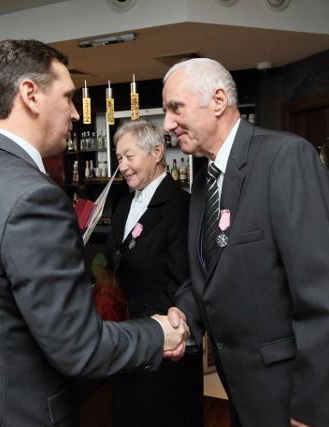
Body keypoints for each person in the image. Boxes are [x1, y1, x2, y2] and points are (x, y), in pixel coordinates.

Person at [0, 39, 187, 427]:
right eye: (68, 97)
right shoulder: (32, 196)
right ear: (30, 94)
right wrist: (158, 334)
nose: (75, 112)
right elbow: (79, 348)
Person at [163, 58, 329, 427]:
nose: (167, 124)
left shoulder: (286, 158)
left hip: (291, 394)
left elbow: (328, 295)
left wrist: (312, 406)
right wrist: (183, 314)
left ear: (218, 101)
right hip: (243, 389)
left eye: (175, 108)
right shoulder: (204, 180)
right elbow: (210, 271)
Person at [106, 120, 203, 427]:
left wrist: (168, 333)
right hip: (126, 337)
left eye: (129, 156)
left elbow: (185, 281)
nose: (122, 166)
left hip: (164, 341)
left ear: (158, 152)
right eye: (119, 158)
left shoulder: (181, 206)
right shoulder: (122, 205)